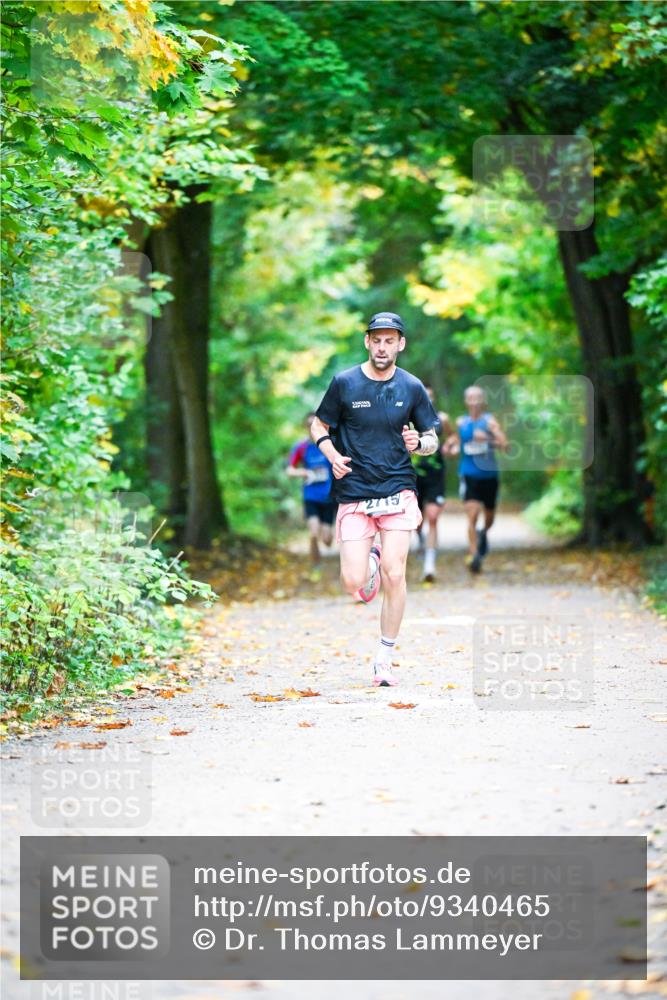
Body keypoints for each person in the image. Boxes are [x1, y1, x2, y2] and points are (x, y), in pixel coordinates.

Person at [310, 311, 440, 687]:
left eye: (390, 340)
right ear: (367, 342)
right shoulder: (345, 383)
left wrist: (422, 444)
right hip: (354, 492)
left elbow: (432, 435)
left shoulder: (412, 387)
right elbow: (319, 424)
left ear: (401, 344)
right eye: (376, 339)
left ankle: (385, 658)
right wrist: (332, 455)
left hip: (398, 490)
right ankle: (369, 559)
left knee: (395, 574)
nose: (383, 347)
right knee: (354, 581)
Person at [452, 385, 508, 573]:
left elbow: (505, 446)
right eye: (471, 398)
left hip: (489, 475)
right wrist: (450, 448)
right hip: (468, 474)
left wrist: (489, 439)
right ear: (466, 401)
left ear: (483, 401)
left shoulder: (490, 421)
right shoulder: (461, 422)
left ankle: (483, 533)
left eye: (478, 398)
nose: (474, 402)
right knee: (472, 514)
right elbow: (456, 444)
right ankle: (474, 554)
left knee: (489, 518)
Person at [414, 384, 455, 583]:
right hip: (413, 474)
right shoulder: (408, 416)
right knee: (417, 520)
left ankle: (429, 565)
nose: (427, 399)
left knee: (432, 516)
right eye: (424, 396)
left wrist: (449, 446)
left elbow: (453, 437)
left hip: (435, 473)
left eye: (430, 396)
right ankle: (420, 538)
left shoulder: (442, 418)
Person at [287, 412, 335, 565]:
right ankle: (316, 564)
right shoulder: (301, 447)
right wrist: (305, 472)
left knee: (327, 540)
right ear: (305, 427)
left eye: (314, 423)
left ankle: (326, 539)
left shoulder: (330, 443)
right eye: (308, 425)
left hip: (329, 496)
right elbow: (289, 470)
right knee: (314, 533)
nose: (311, 427)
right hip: (311, 496)